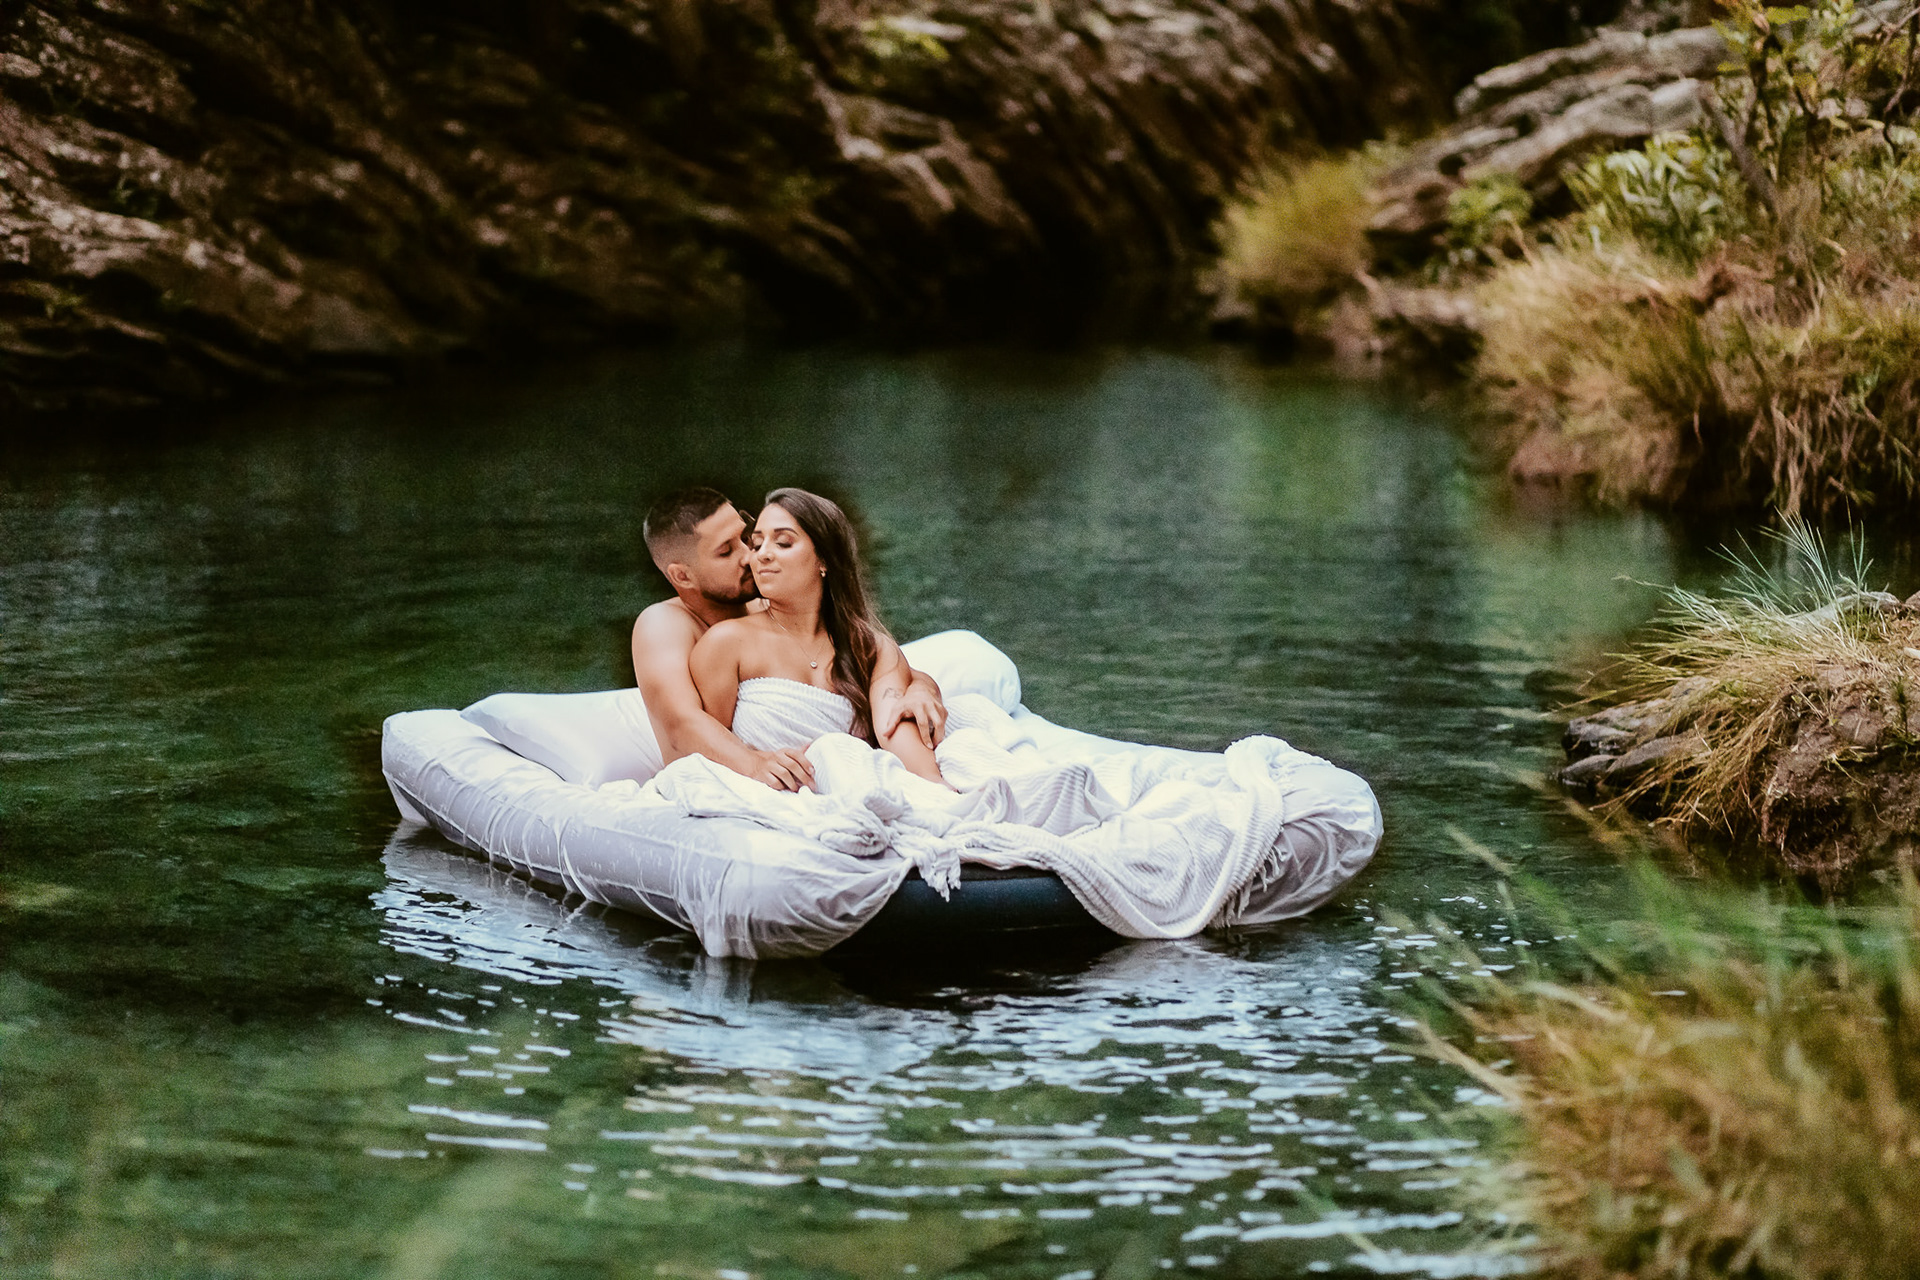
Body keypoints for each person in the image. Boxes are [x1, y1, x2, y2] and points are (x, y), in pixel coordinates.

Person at [633, 486, 948, 792]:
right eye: (726, 551)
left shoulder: (770, 604)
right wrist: (754, 764)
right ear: (683, 576)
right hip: (725, 779)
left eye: (747, 539)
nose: (750, 556)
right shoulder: (663, 624)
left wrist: (920, 690)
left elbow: (886, 667)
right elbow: (682, 723)